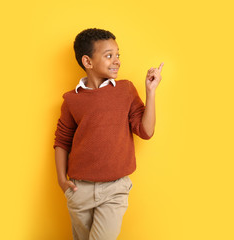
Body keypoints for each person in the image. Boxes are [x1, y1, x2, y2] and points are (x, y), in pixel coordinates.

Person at [53, 28, 163, 240]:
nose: (117, 61)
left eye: (118, 55)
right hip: (79, 190)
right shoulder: (71, 100)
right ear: (88, 61)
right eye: (109, 55)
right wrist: (61, 180)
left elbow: (146, 131)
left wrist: (151, 92)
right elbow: (62, 141)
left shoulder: (126, 90)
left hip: (115, 189)